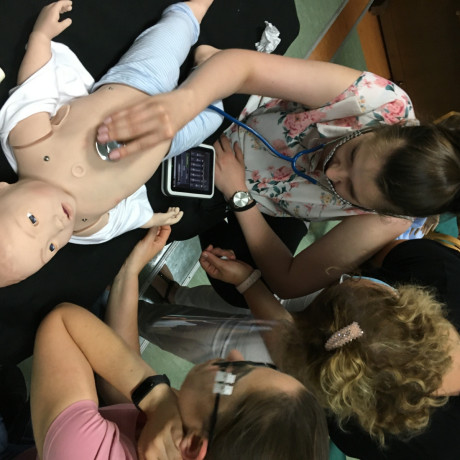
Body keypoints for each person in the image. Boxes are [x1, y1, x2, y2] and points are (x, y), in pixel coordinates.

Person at [96, 46, 460, 307]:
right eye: (351, 154)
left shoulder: (389, 218)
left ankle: (211, 210)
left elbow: (289, 281)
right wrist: (183, 104)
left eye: (349, 189)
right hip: (246, 127)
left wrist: (240, 198)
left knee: (241, 288)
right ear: (389, 128)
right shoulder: (380, 102)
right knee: (211, 73)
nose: (332, 171)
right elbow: (245, 68)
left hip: (265, 199)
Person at [19, 224, 329, 460]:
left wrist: (157, 399)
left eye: (233, 375)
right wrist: (129, 272)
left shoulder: (82, 451)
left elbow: (63, 323)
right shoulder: (186, 432)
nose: (234, 354)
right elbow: (123, 395)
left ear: (193, 446)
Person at [162, 239, 456, 460]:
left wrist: (248, 282)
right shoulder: (440, 272)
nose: (233, 358)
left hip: (316, 366)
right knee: (221, 318)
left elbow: (292, 348)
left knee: (204, 336)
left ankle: (157, 313)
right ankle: (173, 294)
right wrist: (247, 282)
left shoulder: (382, 436)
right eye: (353, 278)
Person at [0, 0, 223, 287]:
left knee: (173, 34)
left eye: (33, 221)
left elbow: (34, 87)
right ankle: (205, 63)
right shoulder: (84, 227)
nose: (57, 227)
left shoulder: (29, 145)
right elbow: (121, 218)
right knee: (215, 113)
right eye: (51, 248)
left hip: (140, 85)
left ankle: (193, 11)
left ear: (3, 190)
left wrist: (40, 37)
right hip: (168, 141)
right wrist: (149, 219)